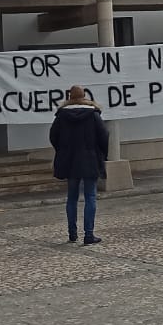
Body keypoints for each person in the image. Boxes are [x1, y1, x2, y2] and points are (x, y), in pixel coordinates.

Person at [50, 85, 109, 245]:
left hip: (70, 161)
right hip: (90, 160)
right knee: (90, 197)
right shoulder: (93, 115)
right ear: (84, 96)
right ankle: (89, 234)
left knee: (72, 198)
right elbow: (104, 136)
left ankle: (72, 233)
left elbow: (53, 136)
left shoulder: (62, 116)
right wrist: (101, 154)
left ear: (70, 97)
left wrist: (62, 151)